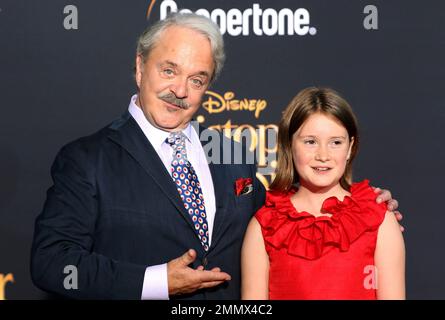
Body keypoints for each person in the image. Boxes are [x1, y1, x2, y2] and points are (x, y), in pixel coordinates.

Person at [31, 13, 400, 300]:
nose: (180, 90)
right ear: (140, 67)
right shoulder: (88, 159)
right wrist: (157, 282)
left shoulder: (229, 154)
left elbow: (284, 219)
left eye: (197, 79)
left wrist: (362, 210)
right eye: (169, 70)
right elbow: (51, 262)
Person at [241, 87, 405, 300]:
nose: (323, 155)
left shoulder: (378, 217)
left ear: (350, 147)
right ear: (289, 145)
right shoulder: (266, 224)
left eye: (336, 142)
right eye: (310, 142)